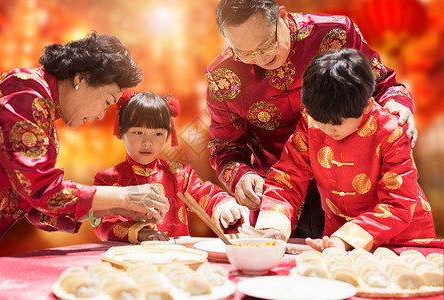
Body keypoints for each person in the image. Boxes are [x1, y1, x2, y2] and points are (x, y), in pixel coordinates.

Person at [0, 31, 170, 292]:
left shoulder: (40, 111)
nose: (100, 115)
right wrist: (125, 197)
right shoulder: (24, 91)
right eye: (106, 101)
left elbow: (37, 207)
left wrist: (116, 208)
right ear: (81, 79)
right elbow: (43, 191)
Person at [206, 0, 418, 238]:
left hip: (358, 182)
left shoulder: (335, 34)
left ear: (282, 16)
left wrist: (397, 106)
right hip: (280, 190)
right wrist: (241, 176)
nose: (262, 58)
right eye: (245, 53)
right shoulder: (223, 76)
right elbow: (224, 147)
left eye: (267, 44)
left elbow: (383, 84)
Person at [239, 48, 440, 252]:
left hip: (402, 239)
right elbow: (288, 178)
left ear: (367, 106)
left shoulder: (392, 131)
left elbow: (399, 204)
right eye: (320, 120)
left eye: (336, 123)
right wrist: (275, 227)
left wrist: (344, 240)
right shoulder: (311, 123)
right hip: (339, 237)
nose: (327, 129)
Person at [93, 91, 249, 243]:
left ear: (168, 135)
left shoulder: (180, 173)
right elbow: (103, 222)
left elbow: (205, 194)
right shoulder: (106, 179)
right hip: (127, 258)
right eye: (138, 132)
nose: (148, 142)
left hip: (176, 256)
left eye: (158, 134)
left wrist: (224, 207)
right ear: (121, 131)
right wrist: (139, 233)